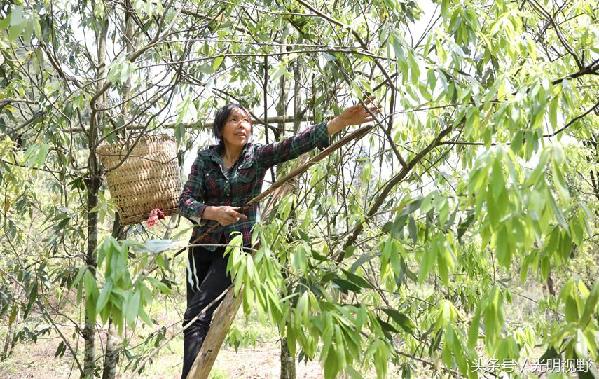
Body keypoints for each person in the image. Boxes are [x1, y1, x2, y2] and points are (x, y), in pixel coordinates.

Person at [178, 99, 379, 378]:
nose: (242, 125)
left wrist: (340, 122)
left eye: (247, 121)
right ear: (221, 128)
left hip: (235, 249)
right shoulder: (205, 159)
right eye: (235, 120)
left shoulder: (257, 156)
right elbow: (185, 201)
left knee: (199, 314)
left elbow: (296, 144)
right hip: (202, 246)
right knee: (193, 319)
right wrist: (212, 212)